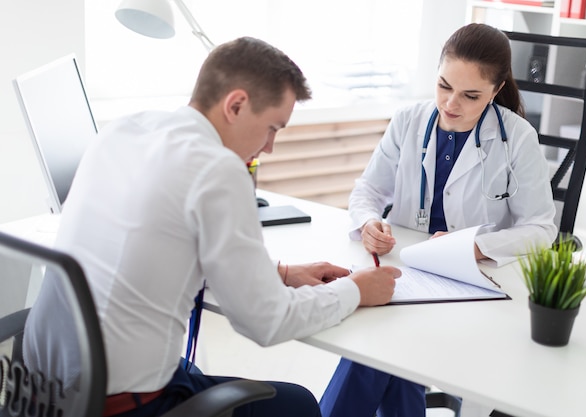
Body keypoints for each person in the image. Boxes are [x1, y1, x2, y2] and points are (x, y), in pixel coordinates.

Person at [22, 36, 401, 417]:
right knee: (297, 405)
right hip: (119, 406)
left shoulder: (124, 131)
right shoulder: (218, 170)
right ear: (235, 105)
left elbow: (158, 244)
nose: (269, 146)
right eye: (272, 127)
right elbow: (267, 322)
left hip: (41, 391)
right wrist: (355, 290)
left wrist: (283, 273)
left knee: (195, 373)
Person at [319, 23, 557, 417]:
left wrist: (475, 247)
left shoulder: (517, 137)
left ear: (496, 91)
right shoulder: (409, 120)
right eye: (444, 85)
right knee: (388, 347)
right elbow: (369, 191)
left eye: (470, 95)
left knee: (377, 348)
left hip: (472, 285)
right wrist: (368, 223)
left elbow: (541, 228)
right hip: (408, 270)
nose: (450, 104)